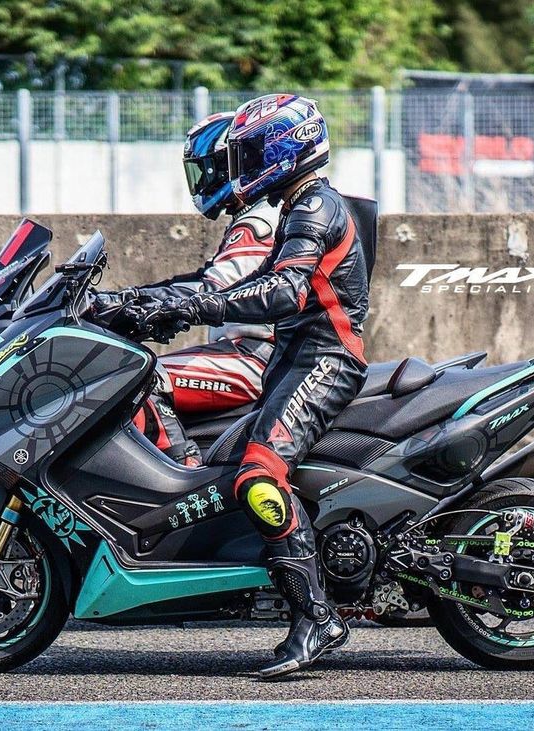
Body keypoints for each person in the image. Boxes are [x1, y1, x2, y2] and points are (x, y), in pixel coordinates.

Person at [145, 94, 369, 678]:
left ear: (281, 148)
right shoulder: (298, 206)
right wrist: (147, 303)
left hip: (325, 360)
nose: (240, 165)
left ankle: (316, 618)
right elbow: (240, 279)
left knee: (258, 478)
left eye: (249, 152)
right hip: (293, 358)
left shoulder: (316, 206)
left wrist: (206, 305)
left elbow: (285, 292)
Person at [94, 112, 278, 466]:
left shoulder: (259, 220)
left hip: (257, 359)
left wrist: (122, 303)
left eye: (208, 168)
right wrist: (125, 298)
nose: (203, 180)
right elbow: (199, 277)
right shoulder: (262, 213)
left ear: (233, 164)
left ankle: (185, 478)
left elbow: (213, 286)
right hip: (252, 351)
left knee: (138, 380)